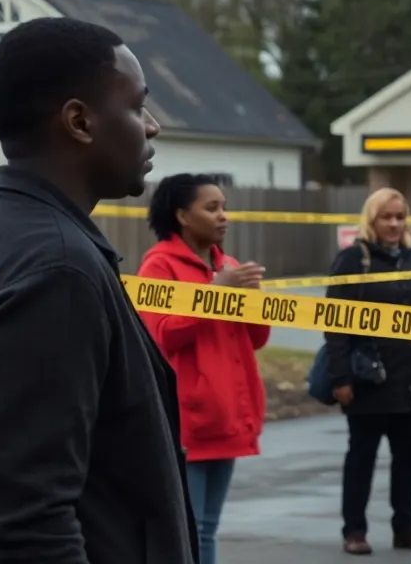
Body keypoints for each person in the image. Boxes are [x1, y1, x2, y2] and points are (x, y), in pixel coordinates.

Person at [0, 17, 197, 563]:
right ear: (79, 121)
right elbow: (26, 523)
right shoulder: (57, 270)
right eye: (137, 105)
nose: (152, 126)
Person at [136, 173, 270, 564]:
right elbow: (162, 336)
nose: (223, 216)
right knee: (189, 529)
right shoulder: (158, 267)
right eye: (211, 208)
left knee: (207, 526)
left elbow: (256, 339)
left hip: (227, 415)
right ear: (181, 215)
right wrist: (216, 293)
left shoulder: (227, 266)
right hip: (186, 420)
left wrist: (252, 299)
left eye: (224, 207)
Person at [323, 188, 411, 555]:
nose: (394, 224)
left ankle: (405, 527)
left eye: (400, 217)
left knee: (409, 457)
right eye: (387, 217)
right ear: (372, 219)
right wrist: (341, 376)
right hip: (368, 380)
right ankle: (355, 530)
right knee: (362, 456)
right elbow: (335, 325)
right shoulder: (353, 260)